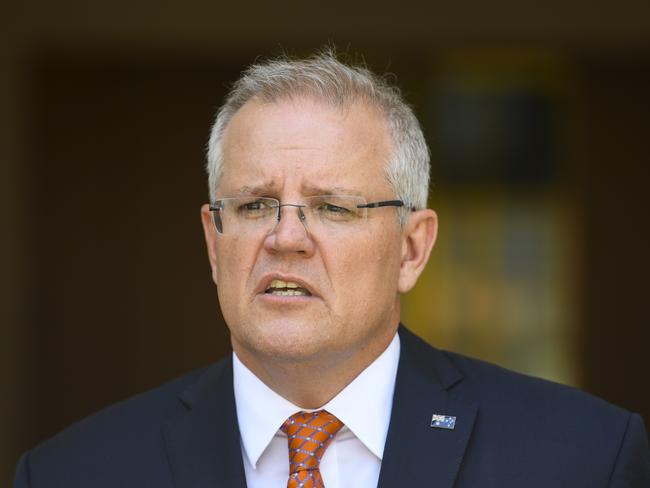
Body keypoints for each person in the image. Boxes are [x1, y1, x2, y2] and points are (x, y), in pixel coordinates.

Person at [15, 50, 650, 488]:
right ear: (214, 243)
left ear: (411, 248)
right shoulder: (74, 472)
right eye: (257, 204)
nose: (285, 237)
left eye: (333, 208)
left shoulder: (582, 457)